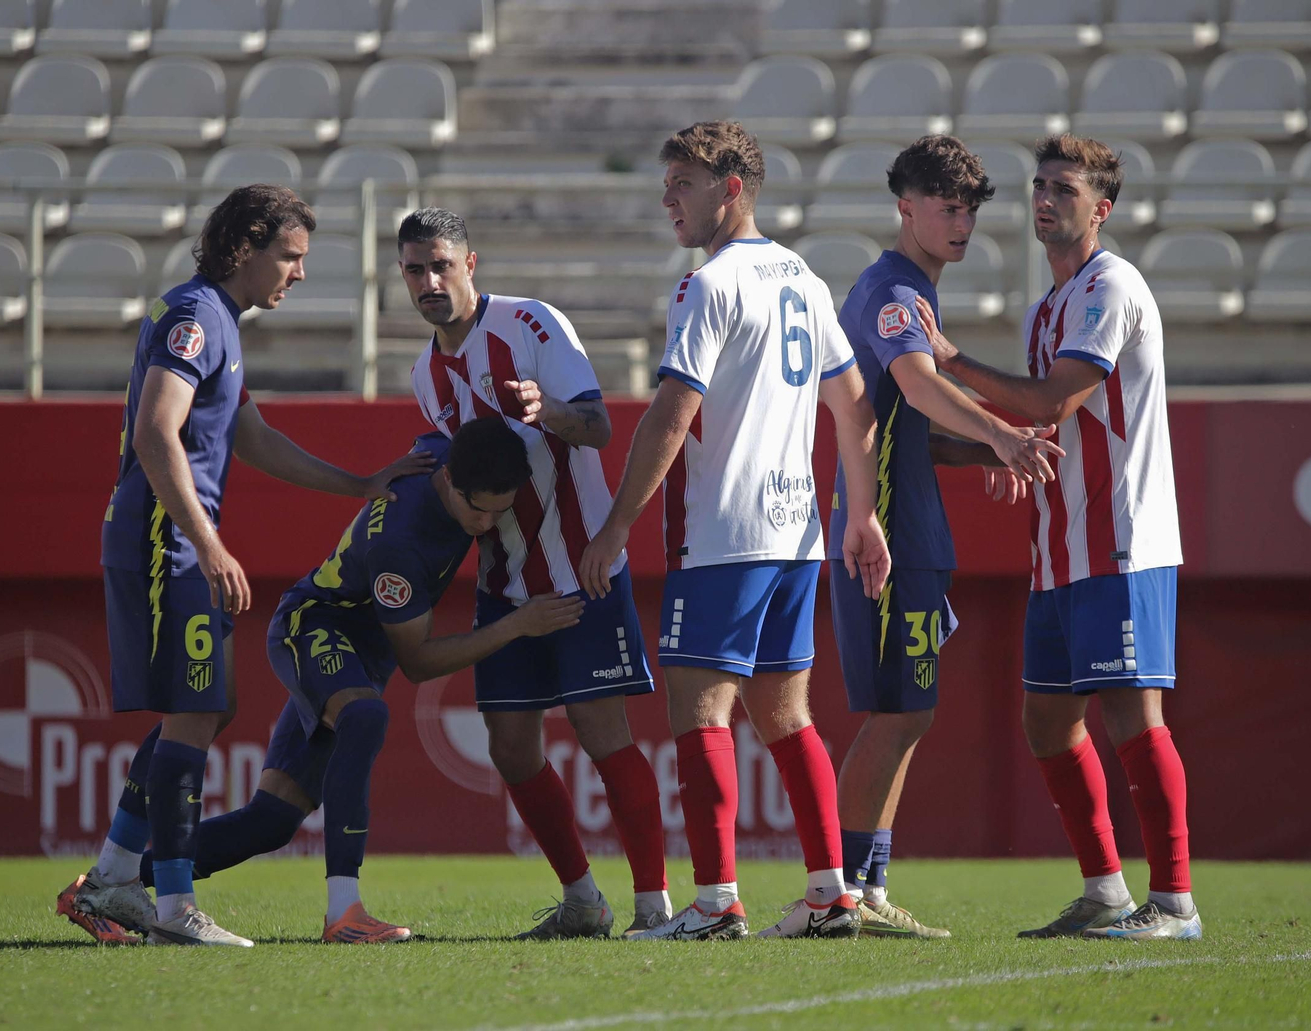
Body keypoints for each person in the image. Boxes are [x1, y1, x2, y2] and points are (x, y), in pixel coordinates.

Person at [56, 185, 430, 947]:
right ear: (246, 247)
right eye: (290, 256)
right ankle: (171, 905)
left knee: (208, 706)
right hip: (168, 542)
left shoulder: (218, 319)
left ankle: (114, 878)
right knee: (197, 708)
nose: (297, 273)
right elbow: (157, 433)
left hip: (179, 539)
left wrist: (356, 483)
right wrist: (211, 540)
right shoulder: (196, 317)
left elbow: (249, 434)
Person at [579, 120, 890, 941]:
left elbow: (670, 416)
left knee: (699, 710)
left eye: (684, 182)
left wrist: (613, 528)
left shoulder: (708, 285)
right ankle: (830, 893)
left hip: (724, 535)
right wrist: (861, 514)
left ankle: (715, 901)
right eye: (668, 181)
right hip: (795, 536)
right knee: (787, 716)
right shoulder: (805, 279)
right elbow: (855, 404)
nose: (668, 198)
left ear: (733, 188)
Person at [125, 422, 586, 944]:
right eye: (477, 509)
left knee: (271, 821)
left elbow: (435, 429)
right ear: (451, 480)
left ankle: (119, 880)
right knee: (365, 716)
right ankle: (344, 911)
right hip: (314, 625)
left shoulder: (442, 454)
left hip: (357, 658)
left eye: (499, 512)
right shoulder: (401, 547)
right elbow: (418, 662)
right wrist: (515, 626)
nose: (485, 525)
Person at [913, 134, 1199, 940]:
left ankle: (1174, 901)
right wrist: (970, 445)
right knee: (1048, 721)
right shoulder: (1049, 306)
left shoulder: (1111, 286)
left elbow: (1050, 402)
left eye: (1064, 189)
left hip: (1120, 540)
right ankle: (1106, 890)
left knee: (1135, 718)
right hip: (1060, 547)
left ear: (1102, 208)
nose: (1045, 199)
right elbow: (1040, 426)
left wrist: (951, 361)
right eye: (1039, 185)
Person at [400, 208, 672, 939]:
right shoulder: (425, 373)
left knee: (600, 728)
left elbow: (598, 424)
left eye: (440, 265)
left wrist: (547, 409)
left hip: (581, 571)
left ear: (470, 263)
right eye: (414, 269)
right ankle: (584, 900)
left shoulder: (530, 325)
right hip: (504, 583)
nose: (428, 281)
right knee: (510, 745)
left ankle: (655, 906)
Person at [829, 136, 1064, 939]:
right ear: (906, 206)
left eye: (969, 210)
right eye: (945, 207)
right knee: (895, 711)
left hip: (914, 527)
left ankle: (866, 887)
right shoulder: (891, 290)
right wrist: (1001, 434)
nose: (960, 223)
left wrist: (976, 448)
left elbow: (913, 429)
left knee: (909, 710)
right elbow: (916, 384)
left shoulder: (916, 290)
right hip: (884, 532)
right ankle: (843, 891)